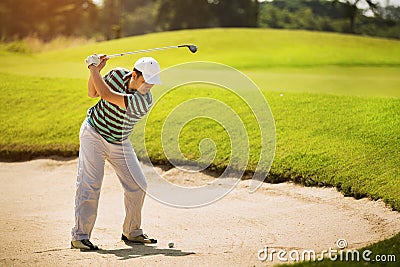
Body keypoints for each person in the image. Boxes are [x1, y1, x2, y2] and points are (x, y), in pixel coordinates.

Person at [70, 54, 161, 250]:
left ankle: (132, 231)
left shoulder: (144, 101)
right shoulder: (117, 75)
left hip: (119, 141)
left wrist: (93, 68)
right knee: (90, 184)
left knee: (138, 185)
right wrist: (98, 71)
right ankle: (80, 236)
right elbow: (93, 92)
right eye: (147, 81)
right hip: (94, 133)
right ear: (134, 75)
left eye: (153, 83)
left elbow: (107, 95)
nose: (149, 87)